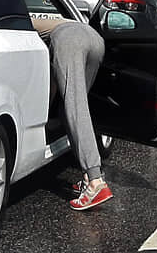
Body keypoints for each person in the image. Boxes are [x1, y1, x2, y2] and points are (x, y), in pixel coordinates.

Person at [31, 16, 113, 210]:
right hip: (94, 38)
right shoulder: (52, 17)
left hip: (69, 40)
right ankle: (90, 177)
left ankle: (95, 182)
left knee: (74, 108)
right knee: (72, 108)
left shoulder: (23, 20)